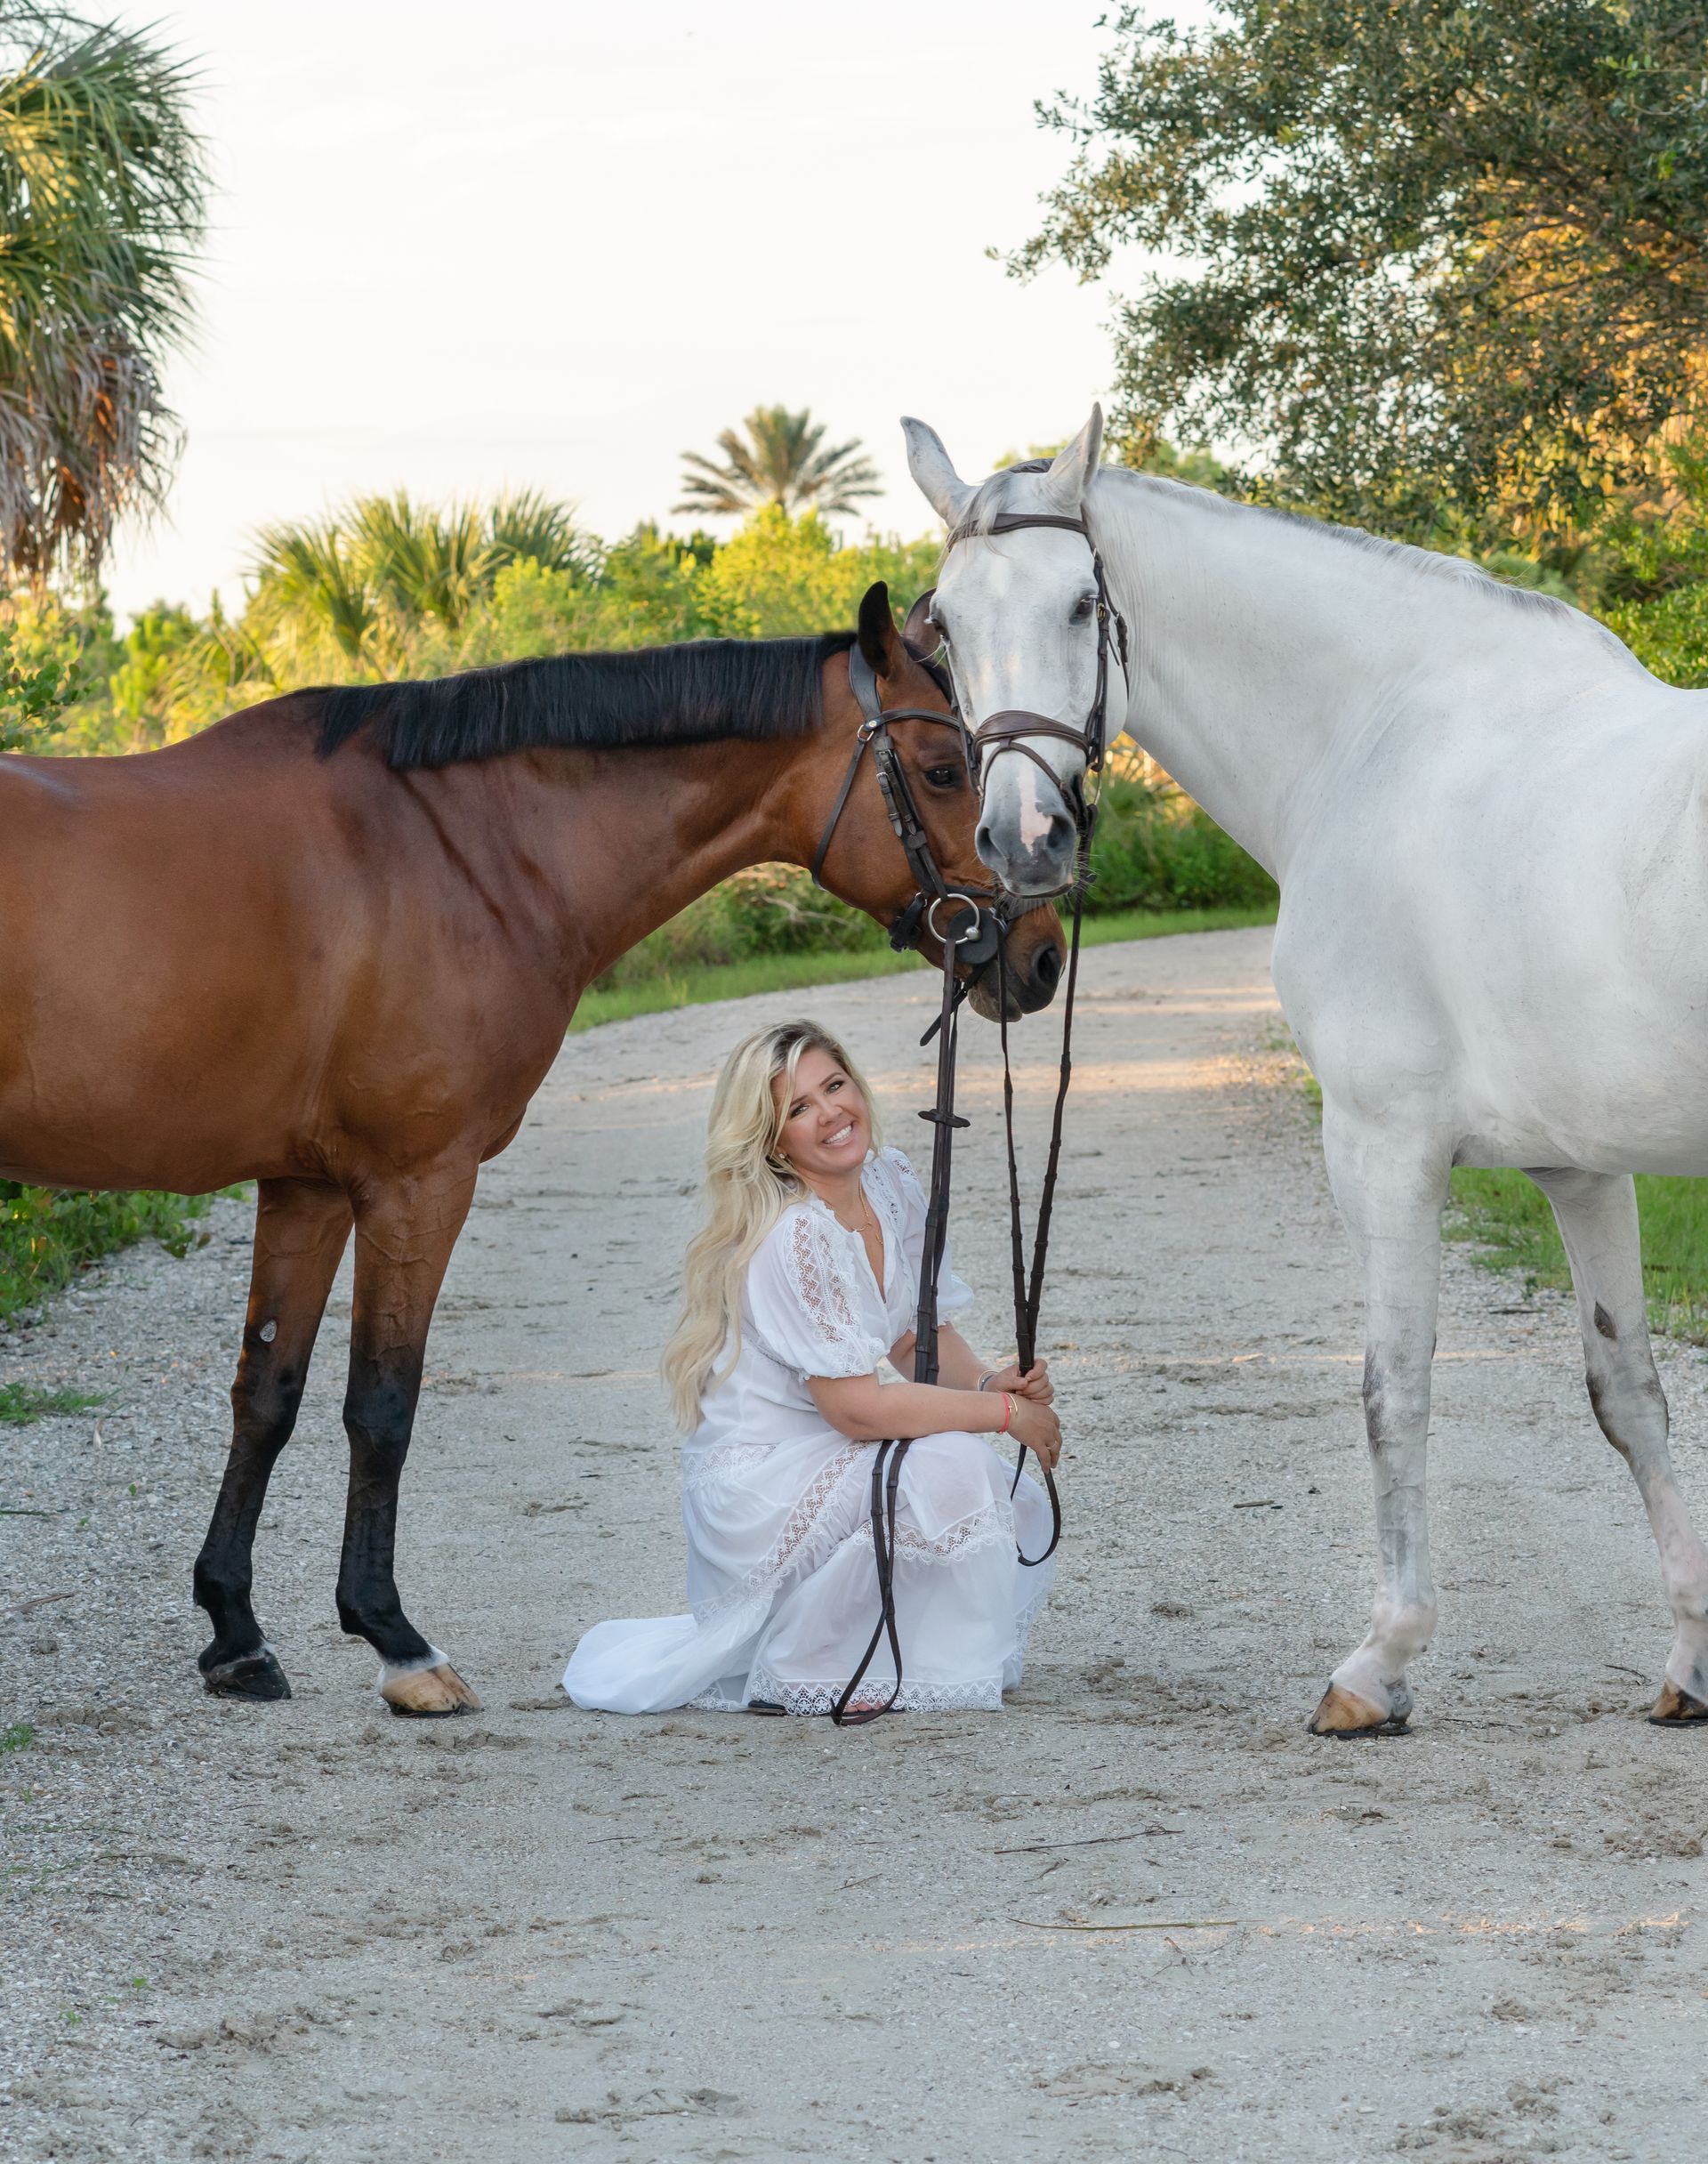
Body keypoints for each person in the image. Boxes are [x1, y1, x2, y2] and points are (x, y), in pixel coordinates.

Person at [561, 1018, 1061, 1716]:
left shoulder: (889, 1181)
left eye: (834, 1085)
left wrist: (986, 1383)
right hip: (761, 1485)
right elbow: (858, 1411)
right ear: (770, 1139)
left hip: (824, 1453)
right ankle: (807, 1664)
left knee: (962, 1467)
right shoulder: (794, 1235)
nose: (829, 1112)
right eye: (798, 1107)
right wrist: (1007, 1417)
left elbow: (913, 1333)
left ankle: (875, 1650)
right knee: (950, 1466)